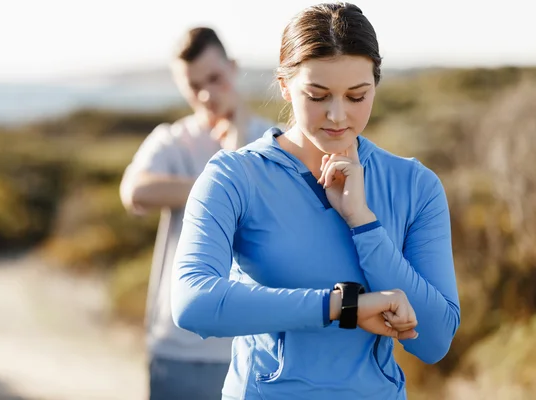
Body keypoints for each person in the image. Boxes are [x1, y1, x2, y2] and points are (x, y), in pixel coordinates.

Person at [171, 3, 461, 399]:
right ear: (285, 86)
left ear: (375, 85)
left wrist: (364, 222)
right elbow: (193, 302)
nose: (337, 115)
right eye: (318, 95)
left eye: (356, 96)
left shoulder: (415, 186)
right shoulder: (233, 176)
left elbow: (434, 340)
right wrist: (344, 307)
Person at [119, 27, 273, 400]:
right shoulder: (171, 139)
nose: (205, 94)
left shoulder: (275, 140)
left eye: (215, 78)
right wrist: (213, 189)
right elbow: (134, 192)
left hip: (257, 345)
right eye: (193, 85)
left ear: (233, 68)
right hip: (178, 349)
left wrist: (237, 139)